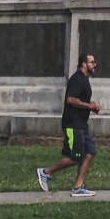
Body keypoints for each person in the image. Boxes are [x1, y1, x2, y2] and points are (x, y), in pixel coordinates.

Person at [37, 53, 101, 197]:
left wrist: (91, 107)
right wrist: (88, 106)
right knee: (76, 156)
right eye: (92, 62)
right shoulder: (77, 79)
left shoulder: (84, 79)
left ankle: (78, 187)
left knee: (90, 152)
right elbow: (71, 99)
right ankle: (46, 172)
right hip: (73, 124)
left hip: (82, 125)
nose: (94, 65)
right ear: (84, 64)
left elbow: (81, 102)